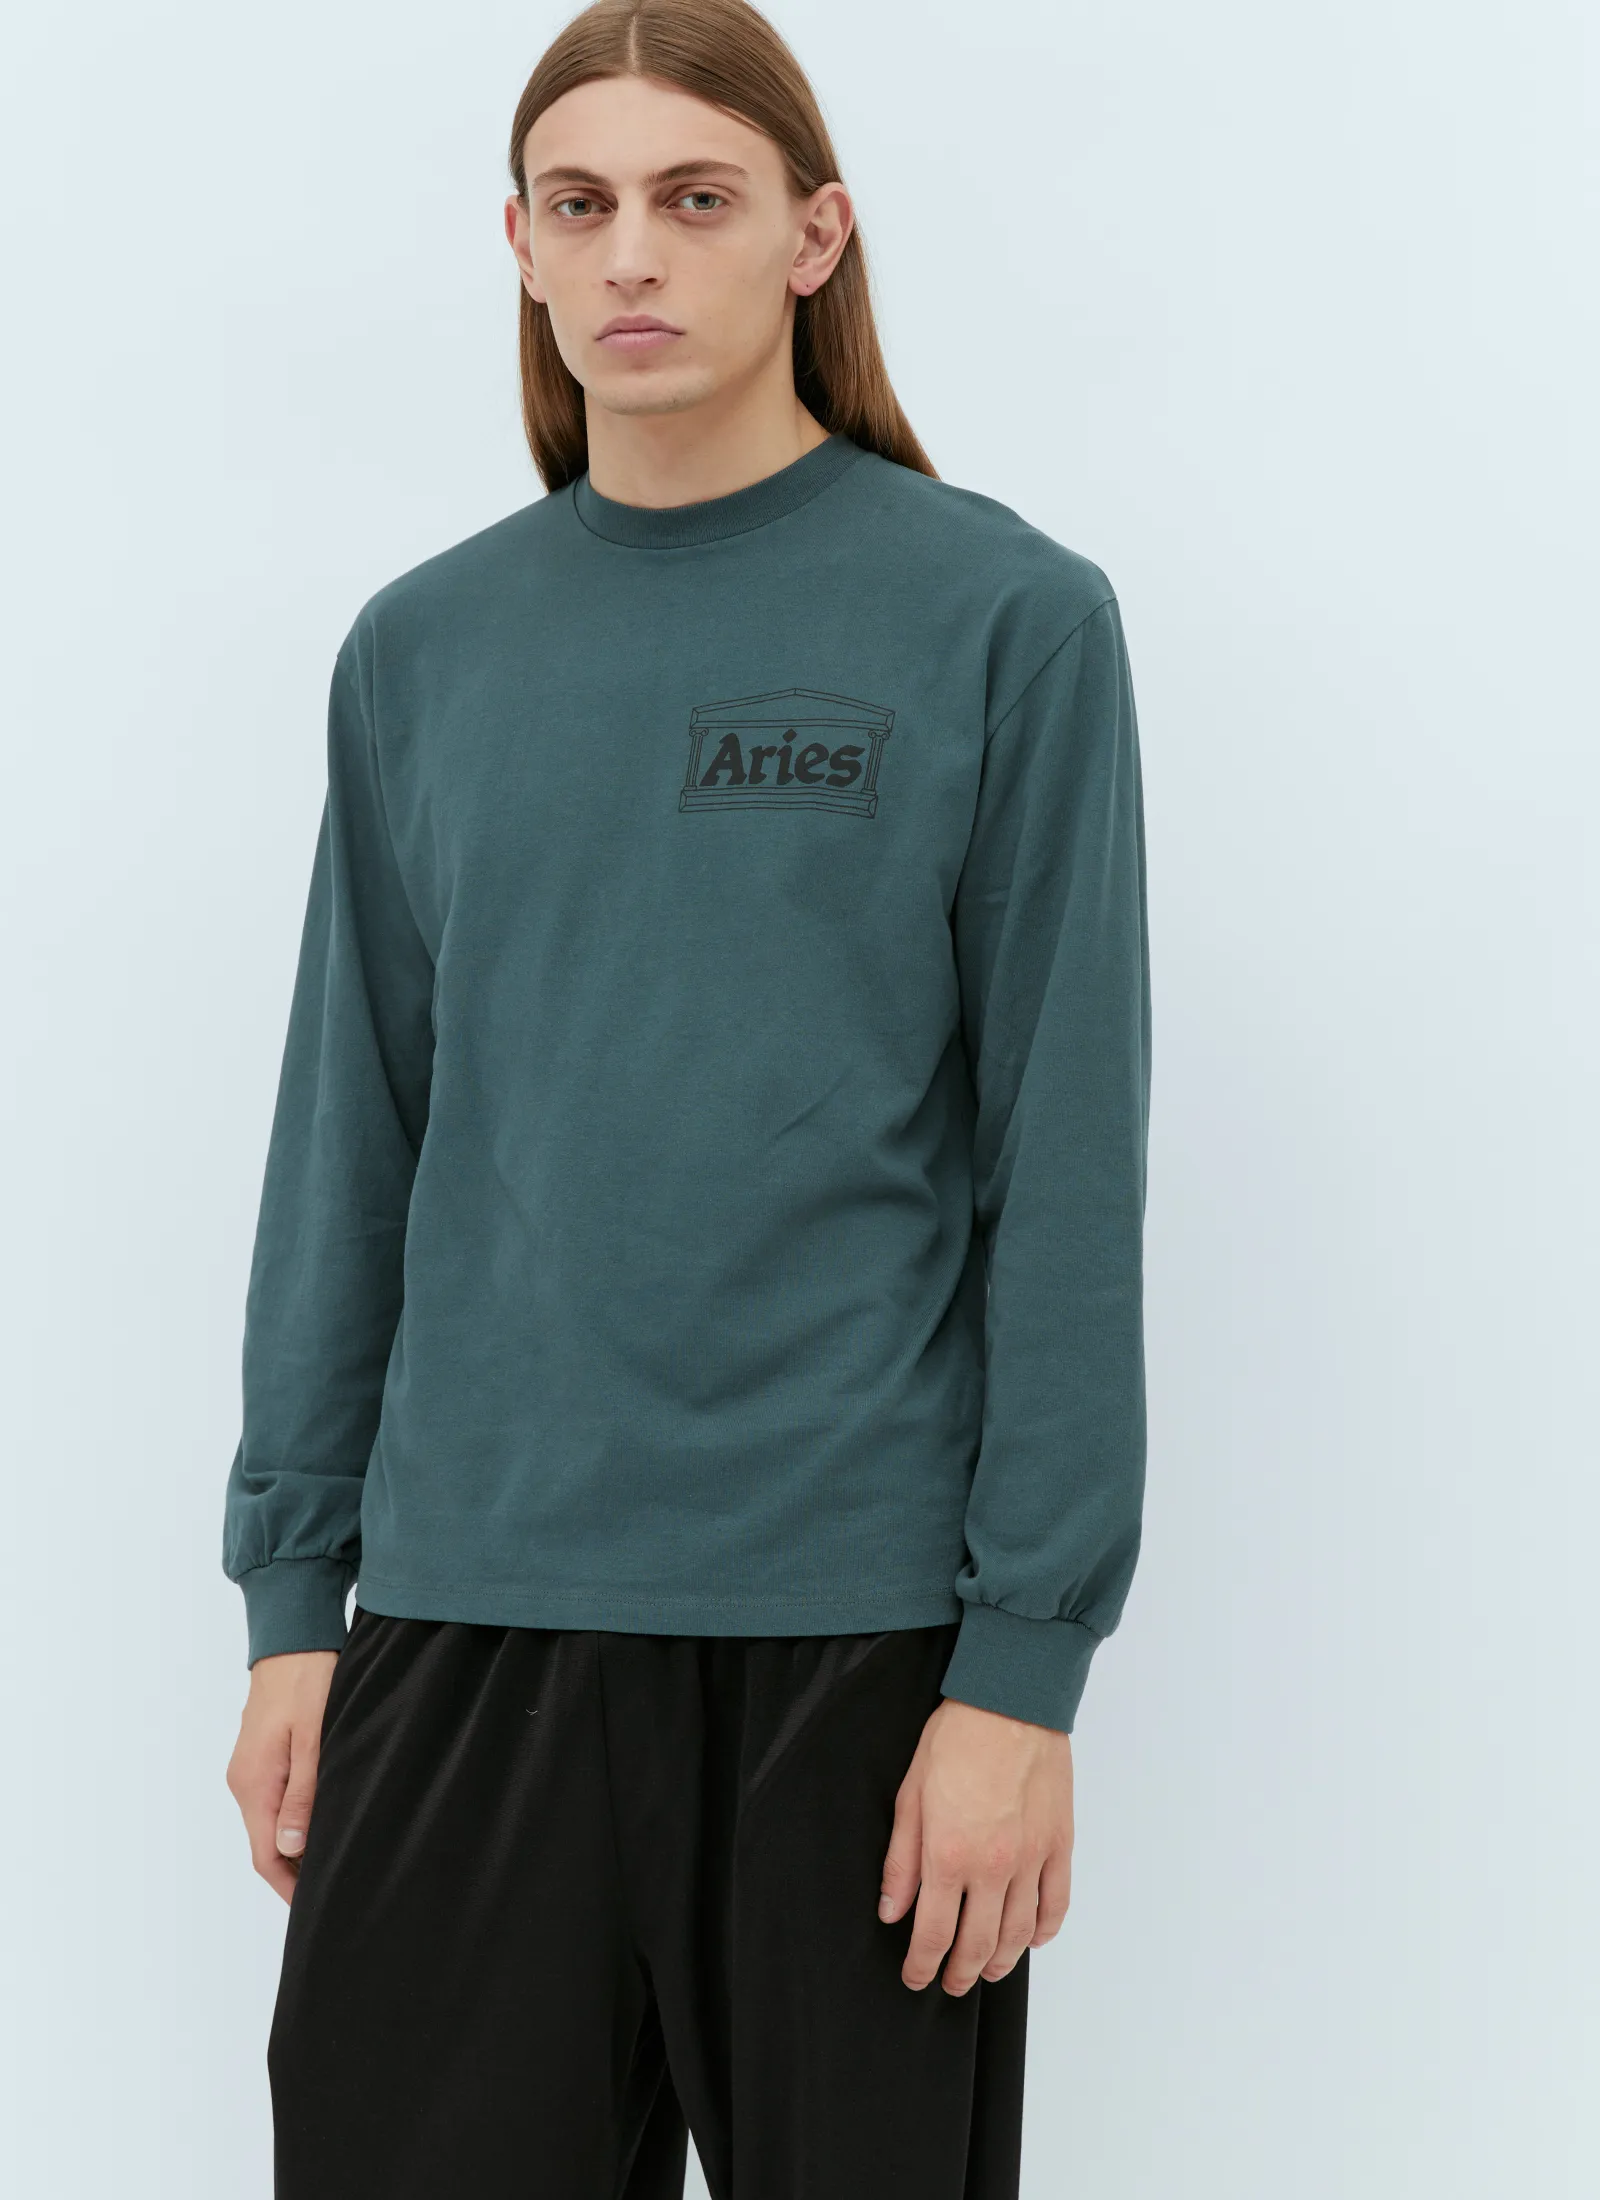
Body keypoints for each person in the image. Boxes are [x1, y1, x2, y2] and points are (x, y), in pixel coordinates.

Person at [221, 1, 1152, 2193]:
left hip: (855, 1652)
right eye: (580, 204)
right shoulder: (422, 650)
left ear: (813, 236)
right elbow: (351, 1140)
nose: (630, 250)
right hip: (464, 1624)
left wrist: (1020, 1676)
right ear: (523, 249)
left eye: (694, 197)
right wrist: (293, 1606)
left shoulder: (1004, 620)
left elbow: (1064, 1169)